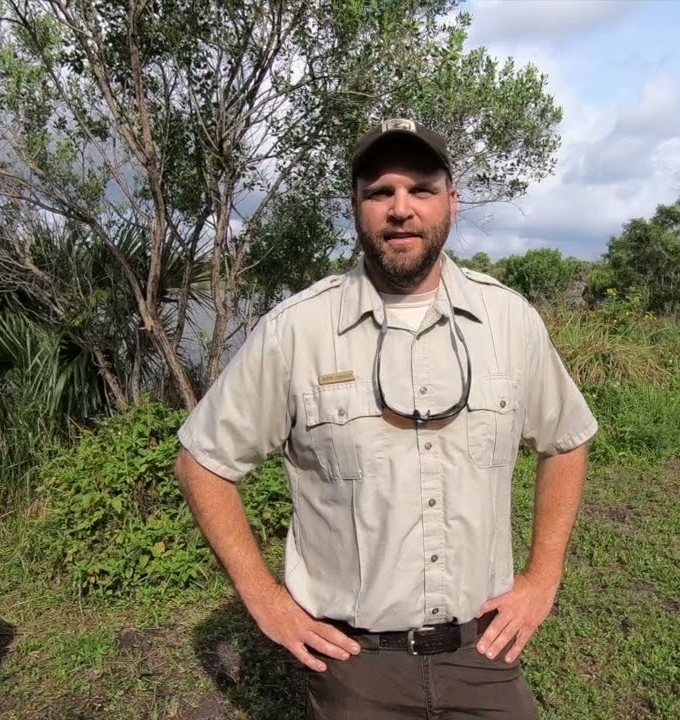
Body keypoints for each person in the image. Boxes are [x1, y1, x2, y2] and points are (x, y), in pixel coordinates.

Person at [174, 117, 598, 718]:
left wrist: (543, 577)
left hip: (484, 650)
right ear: (356, 207)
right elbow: (203, 463)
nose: (401, 209)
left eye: (421, 189)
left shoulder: (510, 321)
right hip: (354, 666)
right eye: (380, 192)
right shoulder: (297, 330)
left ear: (452, 201)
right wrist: (264, 597)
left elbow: (568, 439)